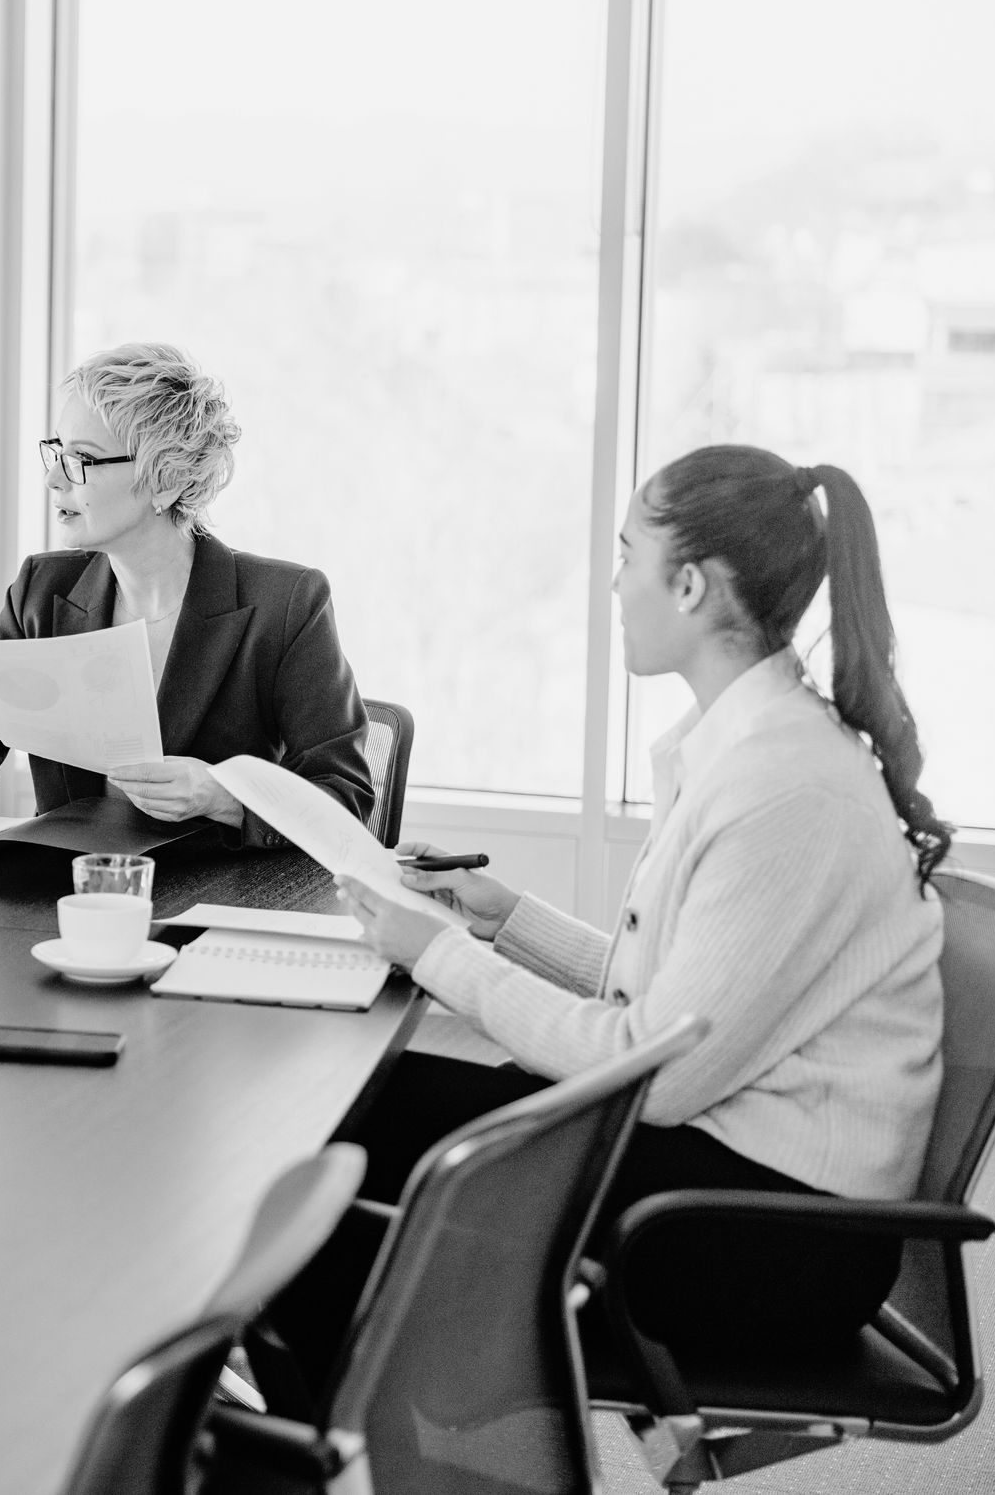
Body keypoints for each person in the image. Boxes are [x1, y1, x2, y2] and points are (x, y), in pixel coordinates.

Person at [262, 446, 947, 1397]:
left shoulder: (785, 788)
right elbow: (678, 998)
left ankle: (354, 1436)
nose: (615, 585)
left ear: (695, 586)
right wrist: (506, 923)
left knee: (317, 1199)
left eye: (627, 557)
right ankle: (355, 1430)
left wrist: (444, 956)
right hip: (722, 1159)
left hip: (774, 1233)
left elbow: (655, 1069)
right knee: (334, 1111)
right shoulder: (749, 747)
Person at [0, 342, 371, 845]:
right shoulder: (43, 591)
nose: (52, 478)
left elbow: (344, 797)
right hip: (63, 899)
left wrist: (225, 798)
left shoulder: (286, 604)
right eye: (56, 452)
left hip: (214, 904)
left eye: (81, 459)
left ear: (165, 481)